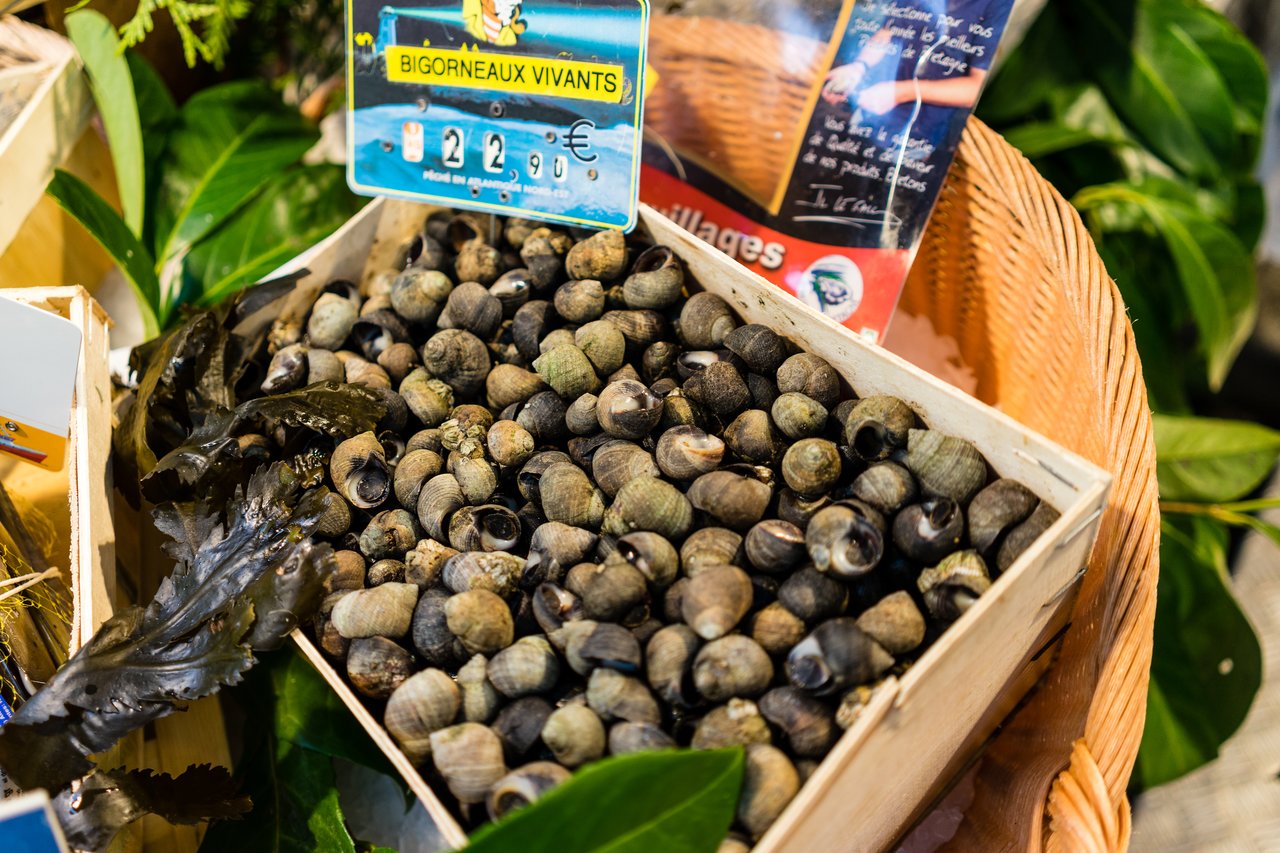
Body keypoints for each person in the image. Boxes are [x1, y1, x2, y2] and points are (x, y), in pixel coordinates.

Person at [810, 0, 1014, 249]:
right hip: (864, 124)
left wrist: (900, 93)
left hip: (918, 143)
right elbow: (888, 31)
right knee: (824, 218)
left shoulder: (997, 5)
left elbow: (974, 87)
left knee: (877, 237)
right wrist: (857, 68)